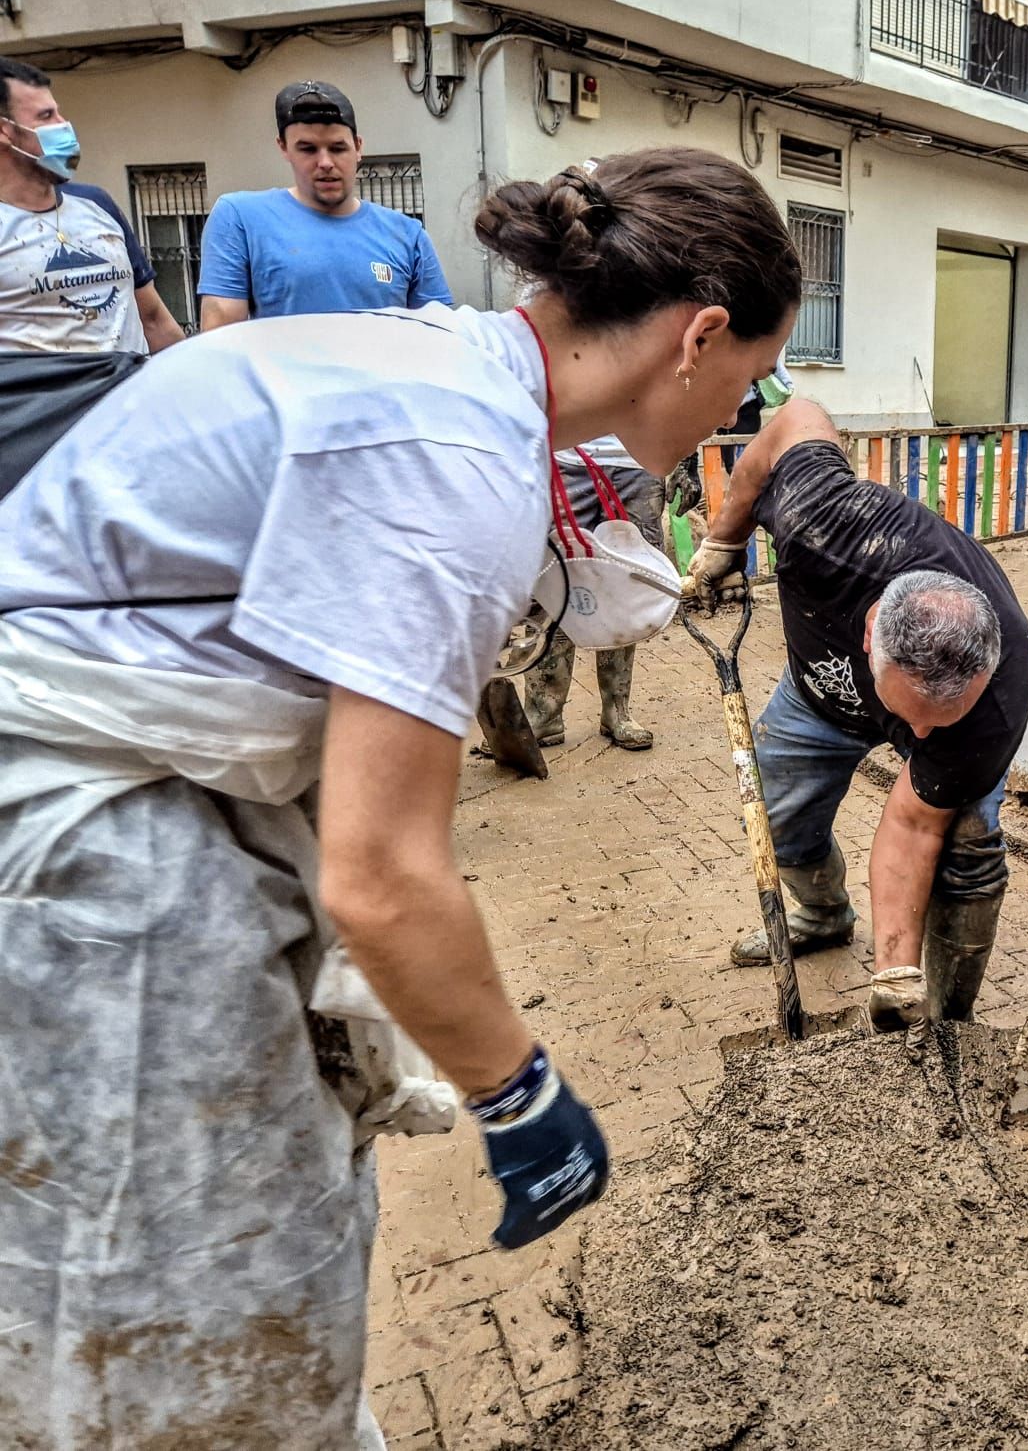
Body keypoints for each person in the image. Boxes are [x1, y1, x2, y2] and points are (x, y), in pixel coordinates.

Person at [0, 146, 799, 1447]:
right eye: (745, 375)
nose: (736, 408)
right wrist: (521, 1092)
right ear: (699, 334)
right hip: (91, 839)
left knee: (254, 1246)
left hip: (151, 775)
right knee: (186, 1314)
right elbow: (384, 877)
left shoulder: (444, 365)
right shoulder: (457, 454)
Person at [685, 399, 1028, 1035]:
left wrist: (893, 974)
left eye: (940, 720)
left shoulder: (993, 703)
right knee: (778, 815)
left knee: (967, 843)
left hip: (930, 707)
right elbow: (795, 417)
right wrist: (725, 538)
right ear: (872, 631)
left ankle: (946, 1020)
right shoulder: (825, 524)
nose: (920, 739)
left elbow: (913, 824)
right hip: (822, 688)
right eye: (916, 718)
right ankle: (821, 915)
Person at [195, 80, 452, 328]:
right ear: (283, 147)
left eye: (338, 148)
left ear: (358, 147)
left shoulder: (407, 235)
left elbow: (442, 337)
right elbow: (222, 338)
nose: (326, 162)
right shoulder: (240, 218)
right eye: (308, 149)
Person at [0, 56, 183, 354]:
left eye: (59, 113)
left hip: (127, 395)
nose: (64, 125)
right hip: (48, 400)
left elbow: (152, 320)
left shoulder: (96, 204)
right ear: (4, 131)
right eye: (46, 116)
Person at [523, 433, 668, 750]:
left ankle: (618, 712)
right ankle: (542, 713)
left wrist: (687, 460)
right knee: (553, 581)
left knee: (625, 584)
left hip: (639, 461)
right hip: (567, 458)